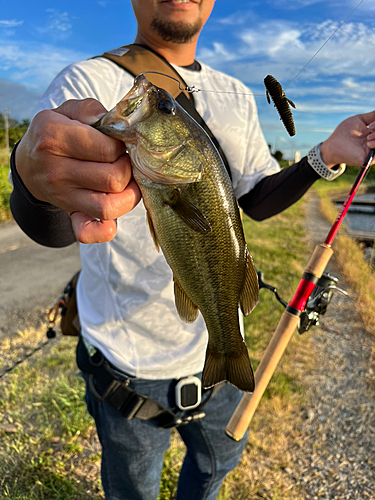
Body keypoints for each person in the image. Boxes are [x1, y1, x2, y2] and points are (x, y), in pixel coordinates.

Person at [9, 1, 375, 499]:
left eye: (161, 107)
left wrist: (324, 154)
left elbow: (257, 200)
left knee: (216, 465)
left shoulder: (238, 95)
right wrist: (32, 182)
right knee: (131, 489)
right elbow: (51, 224)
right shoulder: (85, 82)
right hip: (127, 364)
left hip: (221, 349)